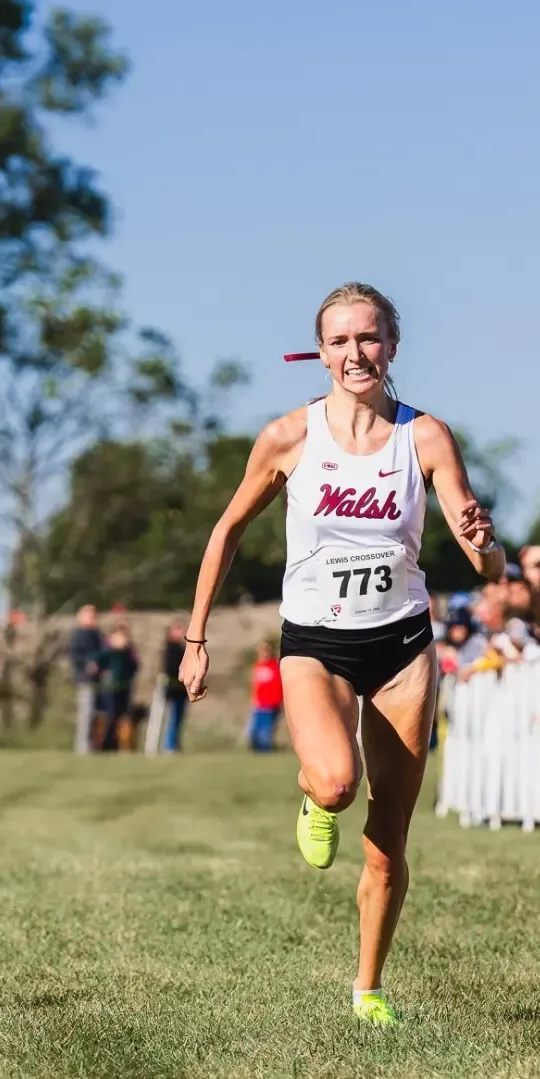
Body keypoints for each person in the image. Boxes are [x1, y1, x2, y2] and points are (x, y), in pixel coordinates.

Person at [177, 281, 504, 1027]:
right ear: (320, 351)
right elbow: (226, 531)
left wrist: (488, 544)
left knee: (388, 839)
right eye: (341, 339)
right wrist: (195, 638)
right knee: (334, 783)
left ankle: (368, 988)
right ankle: (311, 793)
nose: (356, 352)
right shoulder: (290, 437)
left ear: (392, 345)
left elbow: (486, 563)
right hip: (317, 640)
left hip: (402, 644)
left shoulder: (425, 437)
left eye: (370, 337)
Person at [92, 622, 138, 751]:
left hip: (124, 689)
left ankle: (117, 745)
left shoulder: (129, 654)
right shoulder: (107, 652)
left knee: (121, 719)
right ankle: (104, 744)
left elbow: (134, 667)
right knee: (108, 718)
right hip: (109, 690)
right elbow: (95, 663)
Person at [67, 604, 103, 754]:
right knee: (86, 712)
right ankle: (82, 747)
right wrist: (87, 664)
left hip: (97, 680)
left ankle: (93, 744)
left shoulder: (96, 635)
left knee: (95, 713)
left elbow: (101, 653)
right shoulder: (78, 635)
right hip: (84, 679)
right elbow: (75, 656)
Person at [248, 639, 284, 751]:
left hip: (272, 703)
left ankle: (266, 752)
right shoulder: (257, 666)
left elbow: (280, 684)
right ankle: (257, 752)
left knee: (265, 732)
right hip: (259, 704)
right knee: (254, 732)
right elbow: (256, 685)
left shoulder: (275, 666)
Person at [158, 622, 189, 752]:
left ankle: (175, 744)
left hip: (182, 691)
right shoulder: (170, 649)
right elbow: (170, 669)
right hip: (173, 691)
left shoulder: (183, 648)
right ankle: (169, 746)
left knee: (179, 720)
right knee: (172, 719)